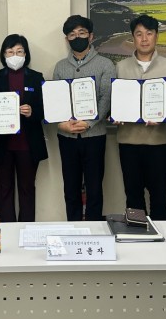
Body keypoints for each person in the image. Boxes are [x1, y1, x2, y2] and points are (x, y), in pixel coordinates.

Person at [115, 15, 166, 220]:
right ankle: (137, 233)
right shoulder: (121, 67)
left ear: (156, 36)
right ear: (132, 37)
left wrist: (163, 113)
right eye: (139, 34)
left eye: (149, 34)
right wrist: (115, 113)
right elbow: (115, 99)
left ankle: (162, 236)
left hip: (159, 142)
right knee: (133, 195)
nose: (144, 39)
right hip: (128, 142)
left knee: (159, 195)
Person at [53, 15, 116, 221]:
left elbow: (106, 97)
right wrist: (62, 124)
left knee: (94, 188)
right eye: (72, 34)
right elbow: (56, 100)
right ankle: (72, 227)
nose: (77, 37)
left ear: (91, 36)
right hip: (67, 137)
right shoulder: (60, 67)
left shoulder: (105, 64)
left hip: (94, 136)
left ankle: (94, 227)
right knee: (70, 187)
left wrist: (89, 123)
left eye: (82, 33)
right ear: (67, 39)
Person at [0, 34, 48, 222]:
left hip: (28, 144)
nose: (15, 55)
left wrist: (32, 112)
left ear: (26, 54)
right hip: (2, 144)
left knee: (27, 188)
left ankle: (27, 229)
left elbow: (45, 110)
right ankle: (7, 229)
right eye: (10, 51)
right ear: (3, 54)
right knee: (4, 189)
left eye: (19, 51)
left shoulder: (36, 77)